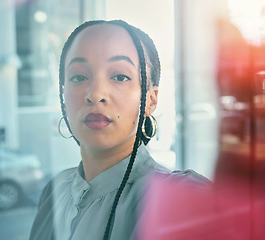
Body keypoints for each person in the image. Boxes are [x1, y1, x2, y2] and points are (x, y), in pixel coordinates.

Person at [29, 19, 209, 240]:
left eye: (120, 77)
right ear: (63, 97)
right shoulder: (54, 193)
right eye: (78, 77)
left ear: (150, 100)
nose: (95, 94)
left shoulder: (184, 199)